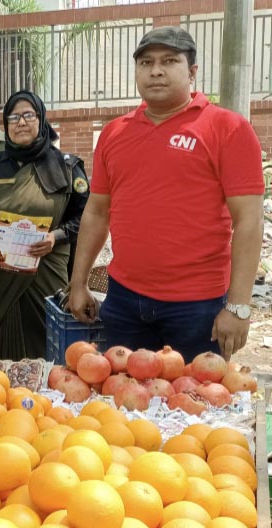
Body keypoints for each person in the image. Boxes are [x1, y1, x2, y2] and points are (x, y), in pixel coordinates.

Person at [68, 27, 264, 360]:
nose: (155, 70)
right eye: (146, 62)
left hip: (198, 307)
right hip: (123, 301)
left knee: (194, 405)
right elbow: (97, 212)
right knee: (121, 404)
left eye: (169, 61)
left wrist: (238, 306)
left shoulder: (227, 128)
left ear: (192, 72)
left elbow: (249, 219)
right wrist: (78, 283)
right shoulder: (115, 133)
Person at [0, 90, 89, 360]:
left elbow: (87, 218)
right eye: (13, 117)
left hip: (47, 274)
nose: (21, 122)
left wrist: (56, 237)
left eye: (28, 115)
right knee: (1, 350)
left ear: (42, 119)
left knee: (50, 348)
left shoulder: (67, 167)